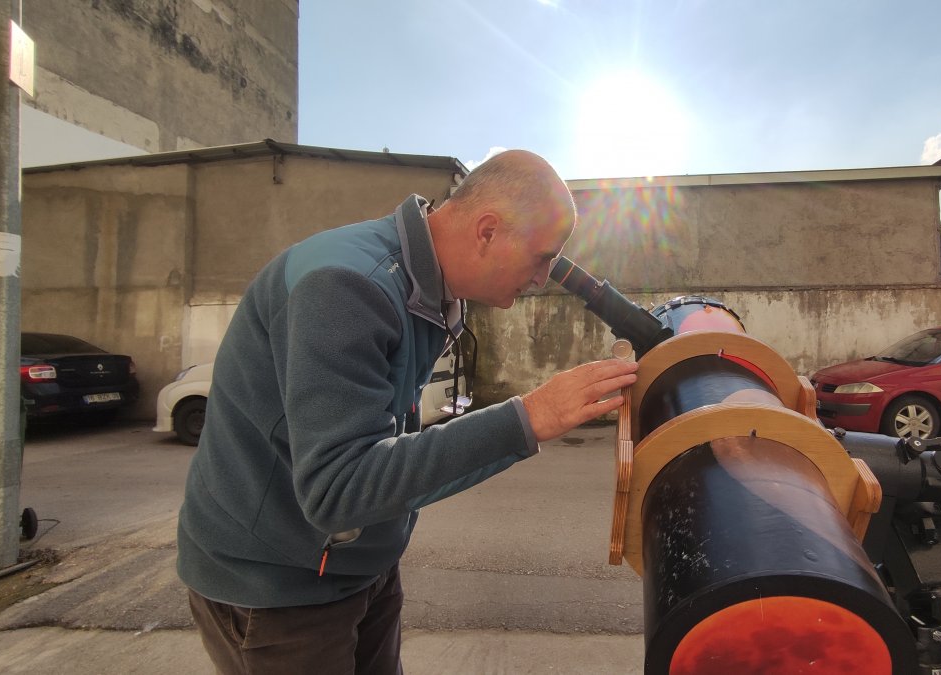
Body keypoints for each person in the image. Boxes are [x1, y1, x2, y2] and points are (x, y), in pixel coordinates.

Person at [177, 149, 638, 675]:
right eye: (540, 258)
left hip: (358, 563)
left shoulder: (428, 290)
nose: (541, 280)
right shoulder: (347, 286)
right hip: (278, 586)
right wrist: (528, 417)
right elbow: (338, 488)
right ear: (487, 231)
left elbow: (382, 441)